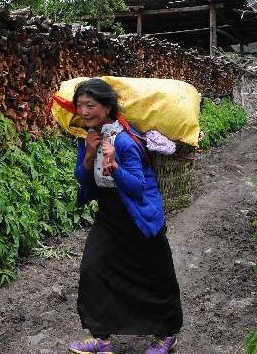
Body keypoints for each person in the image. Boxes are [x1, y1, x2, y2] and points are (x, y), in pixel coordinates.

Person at [67, 78, 183, 354]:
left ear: (107, 107)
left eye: (90, 105)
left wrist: (115, 166)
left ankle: (166, 335)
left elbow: (137, 187)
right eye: (79, 105)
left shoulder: (127, 141)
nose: (83, 112)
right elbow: (83, 178)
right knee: (94, 270)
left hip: (139, 215)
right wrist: (90, 154)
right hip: (109, 215)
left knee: (155, 274)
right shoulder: (90, 137)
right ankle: (102, 338)